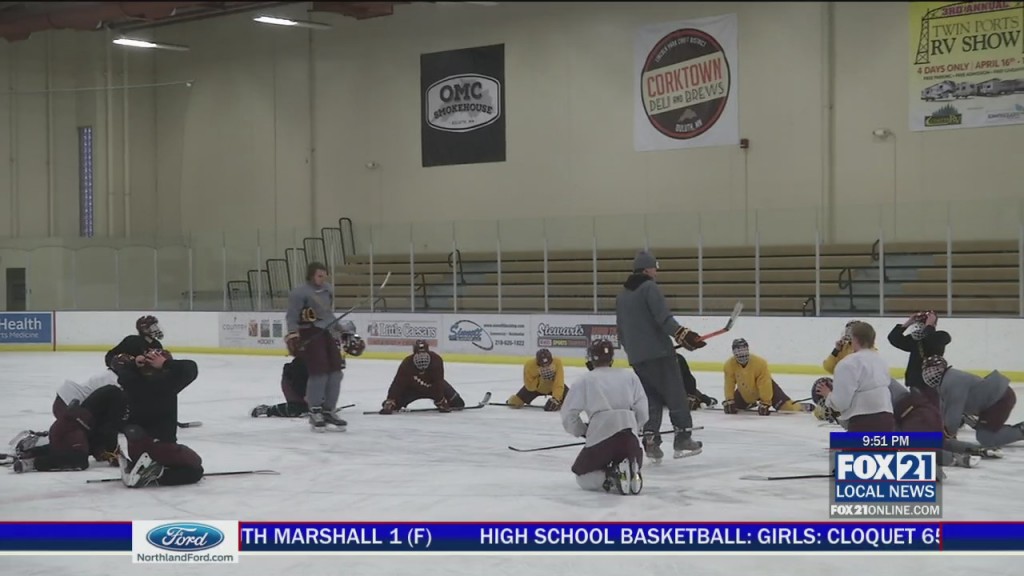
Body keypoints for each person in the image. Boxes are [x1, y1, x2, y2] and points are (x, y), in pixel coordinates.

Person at [615, 249, 705, 462]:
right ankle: (683, 438)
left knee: (651, 400)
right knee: (676, 395)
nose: (656, 272)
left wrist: (635, 351)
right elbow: (663, 318)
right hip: (659, 355)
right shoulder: (649, 288)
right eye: (655, 268)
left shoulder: (622, 295)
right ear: (647, 269)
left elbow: (620, 330)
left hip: (637, 358)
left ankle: (651, 441)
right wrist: (685, 335)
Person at [561, 340, 648, 495]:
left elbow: (569, 414)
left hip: (602, 435)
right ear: (612, 358)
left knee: (584, 477)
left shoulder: (585, 380)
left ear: (590, 358)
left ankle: (612, 474)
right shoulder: (630, 377)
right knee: (627, 454)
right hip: (629, 435)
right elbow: (642, 410)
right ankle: (629, 468)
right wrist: (636, 427)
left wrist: (582, 431)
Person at [111, 349, 203, 488]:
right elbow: (190, 368)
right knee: (196, 468)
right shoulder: (167, 384)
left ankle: (142, 465)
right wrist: (166, 363)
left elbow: (119, 365)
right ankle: (155, 474)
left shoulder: (130, 381)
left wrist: (134, 364)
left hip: (136, 449)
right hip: (160, 448)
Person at [285, 261, 359, 432]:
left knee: (336, 371)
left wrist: (341, 331)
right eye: (319, 275)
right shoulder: (299, 293)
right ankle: (315, 410)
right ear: (311, 275)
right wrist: (293, 334)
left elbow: (327, 314)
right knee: (319, 372)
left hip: (327, 331)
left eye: (324, 275)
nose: (323, 278)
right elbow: (292, 316)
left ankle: (329, 410)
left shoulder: (327, 289)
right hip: (309, 333)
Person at [12, 383, 125, 473]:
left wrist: (102, 450)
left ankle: (31, 453)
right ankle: (33, 463)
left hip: (67, 428)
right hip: (70, 429)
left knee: (66, 449)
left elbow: (102, 429)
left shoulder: (111, 394)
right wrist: (113, 453)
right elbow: (111, 428)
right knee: (80, 460)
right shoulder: (116, 397)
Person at [251, 334, 365, 418]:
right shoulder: (302, 362)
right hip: (293, 382)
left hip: (307, 381)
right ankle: (267, 410)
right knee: (299, 409)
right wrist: (308, 397)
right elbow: (299, 381)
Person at [922, 355, 1024, 448]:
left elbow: (953, 414)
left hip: (998, 399)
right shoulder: (946, 381)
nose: (930, 374)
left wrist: (946, 435)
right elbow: (947, 411)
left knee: (986, 438)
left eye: (934, 369)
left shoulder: (952, 381)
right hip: (992, 400)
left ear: (943, 367)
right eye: (927, 370)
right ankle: (993, 427)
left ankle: (1021, 431)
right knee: (980, 427)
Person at [813, 321, 894, 432]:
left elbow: (840, 404)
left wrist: (828, 395)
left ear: (854, 339)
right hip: (888, 419)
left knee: (853, 449)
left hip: (863, 422)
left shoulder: (848, 363)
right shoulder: (881, 361)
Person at [722, 338, 812, 415]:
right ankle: (750, 403)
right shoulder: (729, 365)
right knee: (734, 407)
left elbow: (765, 383)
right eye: (738, 350)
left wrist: (765, 402)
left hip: (767, 388)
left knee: (787, 409)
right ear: (733, 352)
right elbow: (729, 384)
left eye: (743, 349)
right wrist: (729, 400)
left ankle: (801, 406)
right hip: (746, 389)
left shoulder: (760, 363)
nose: (742, 354)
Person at [379, 340, 465, 414]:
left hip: (433, 388)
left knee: (458, 404)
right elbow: (398, 384)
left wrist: (440, 400)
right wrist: (391, 400)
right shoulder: (407, 363)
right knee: (393, 405)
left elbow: (438, 382)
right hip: (413, 389)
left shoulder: (436, 360)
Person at [888, 311, 950, 401]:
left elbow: (931, 341)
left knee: (933, 408)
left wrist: (929, 326)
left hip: (932, 381)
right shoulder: (915, 340)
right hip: (915, 380)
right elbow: (894, 338)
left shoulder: (940, 336)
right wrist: (908, 322)